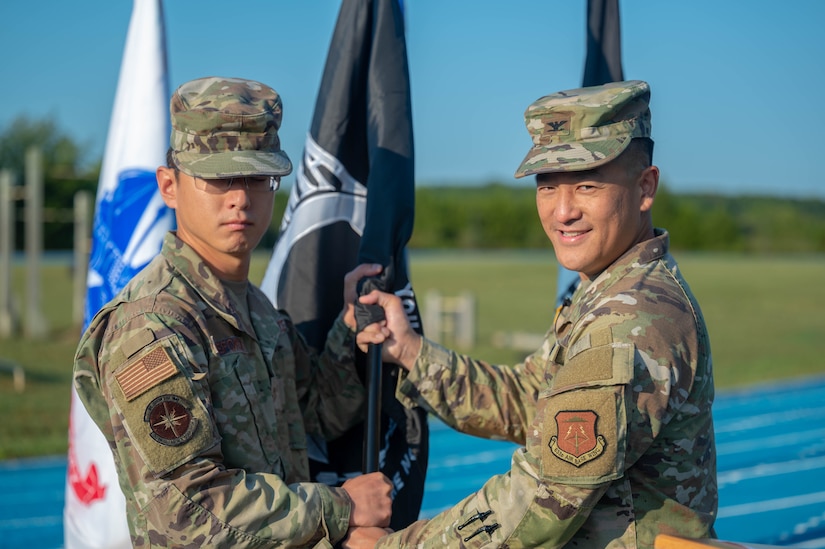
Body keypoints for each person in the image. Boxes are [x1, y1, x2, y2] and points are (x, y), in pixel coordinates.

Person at [356, 80, 717, 548]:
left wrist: (397, 547)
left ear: (645, 187)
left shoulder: (628, 322)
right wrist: (411, 353)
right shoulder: (607, 291)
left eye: (587, 184)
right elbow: (532, 402)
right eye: (548, 187)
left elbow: (544, 497)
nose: (563, 211)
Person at [73, 76, 393, 549]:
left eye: (258, 177)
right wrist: (342, 508)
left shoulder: (254, 307)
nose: (240, 197)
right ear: (170, 186)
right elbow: (187, 512)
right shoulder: (152, 323)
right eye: (218, 177)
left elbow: (316, 414)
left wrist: (351, 331)